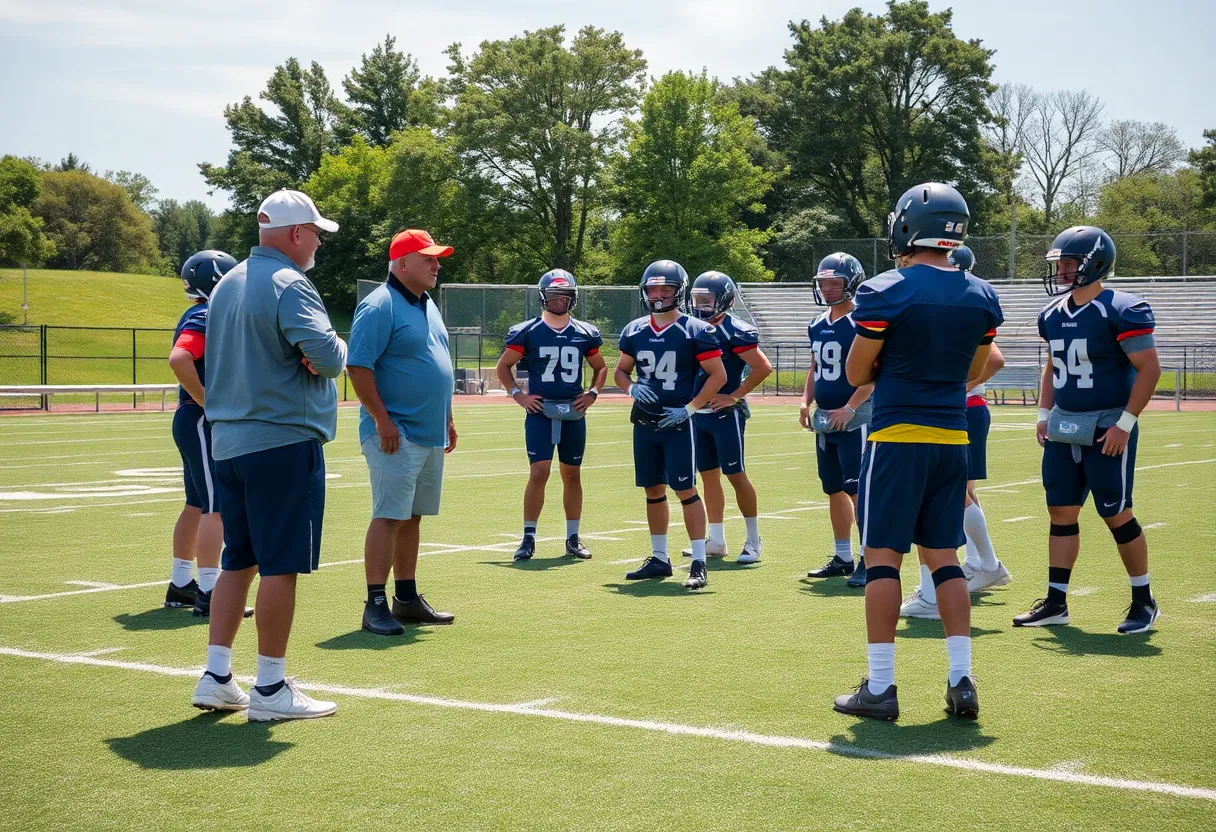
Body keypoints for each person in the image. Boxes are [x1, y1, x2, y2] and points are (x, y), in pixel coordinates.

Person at [831, 183, 1003, 722]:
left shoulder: (886, 290)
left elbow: (856, 372)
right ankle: (962, 680)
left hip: (897, 438)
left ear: (906, 225)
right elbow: (977, 370)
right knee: (945, 559)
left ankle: (880, 687)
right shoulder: (980, 294)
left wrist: (891, 368)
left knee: (883, 558)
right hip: (953, 439)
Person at [190, 189, 347, 721]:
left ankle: (216, 675)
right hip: (280, 439)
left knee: (239, 559)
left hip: (229, 441)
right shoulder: (289, 282)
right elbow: (326, 356)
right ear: (297, 233)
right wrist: (332, 351)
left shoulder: (227, 283)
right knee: (281, 564)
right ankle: (272, 687)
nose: (319, 244)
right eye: (317, 234)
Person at [1014, 226, 1162, 634]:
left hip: (1107, 423)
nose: (1061, 270)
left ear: (1094, 263)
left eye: (1068, 263)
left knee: (1115, 513)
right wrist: (1043, 413)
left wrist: (1125, 423)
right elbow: (1052, 366)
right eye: (1059, 263)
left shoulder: (1121, 308)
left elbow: (1149, 369)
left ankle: (1143, 601)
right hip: (1064, 423)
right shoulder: (1052, 314)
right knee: (1060, 511)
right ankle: (1057, 602)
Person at [348, 229, 459, 636]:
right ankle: (375, 602)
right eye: (428, 258)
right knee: (389, 516)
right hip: (394, 431)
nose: (437, 264)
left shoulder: (427, 304)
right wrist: (381, 419)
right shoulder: (379, 305)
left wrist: (446, 417)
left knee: (412, 516)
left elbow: (436, 363)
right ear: (402, 263)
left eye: (436, 258)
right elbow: (359, 366)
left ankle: (406, 598)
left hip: (427, 430)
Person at [899, 246, 1012, 618]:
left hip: (958, 409)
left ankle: (984, 565)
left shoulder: (956, 300)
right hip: (957, 409)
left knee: (948, 495)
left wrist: (957, 387)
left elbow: (994, 358)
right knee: (962, 492)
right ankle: (982, 562)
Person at [615, 260, 727, 590]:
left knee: (685, 489)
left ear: (679, 292)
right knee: (652, 490)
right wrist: (631, 387)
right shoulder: (635, 330)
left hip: (678, 423)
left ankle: (698, 561)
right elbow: (621, 370)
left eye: (665, 289)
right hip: (645, 421)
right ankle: (660, 558)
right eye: (653, 288)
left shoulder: (696, 329)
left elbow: (718, 375)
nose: (658, 294)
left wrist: (691, 408)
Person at [165, 250, 255, 620]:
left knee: (197, 503)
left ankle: (181, 583)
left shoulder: (199, 311)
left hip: (190, 418)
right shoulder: (205, 314)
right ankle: (208, 589)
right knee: (216, 507)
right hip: (201, 419)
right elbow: (180, 358)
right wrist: (210, 404)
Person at [496, 270, 608, 562]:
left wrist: (592, 393)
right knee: (539, 472)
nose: (560, 301)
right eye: (555, 295)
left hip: (573, 409)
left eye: (566, 296)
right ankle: (528, 537)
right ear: (543, 297)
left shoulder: (585, 332)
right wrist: (517, 395)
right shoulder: (527, 331)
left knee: (572, 474)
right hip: (540, 411)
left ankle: (572, 537)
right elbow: (503, 366)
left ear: (574, 297)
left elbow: (601, 367)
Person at [678, 271, 772, 564]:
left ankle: (754, 540)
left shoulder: (736, 330)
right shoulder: (690, 327)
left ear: (725, 300)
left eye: (707, 300)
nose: (701, 305)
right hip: (699, 413)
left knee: (735, 475)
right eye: (697, 299)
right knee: (708, 477)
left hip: (725, 413)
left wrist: (735, 395)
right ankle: (716, 540)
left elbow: (762, 367)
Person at [801, 253, 873, 588]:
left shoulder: (864, 320)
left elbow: (876, 373)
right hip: (826, 418)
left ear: (851, 284)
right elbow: (815, 368)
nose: (828, 289)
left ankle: (868, 560)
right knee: (833, 489)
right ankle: (843, 555)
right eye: (823, 283)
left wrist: (850, 406)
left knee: (857, 490)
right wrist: (805, 401)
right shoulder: (817, 323)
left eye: (835, 283)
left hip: (855, 417)